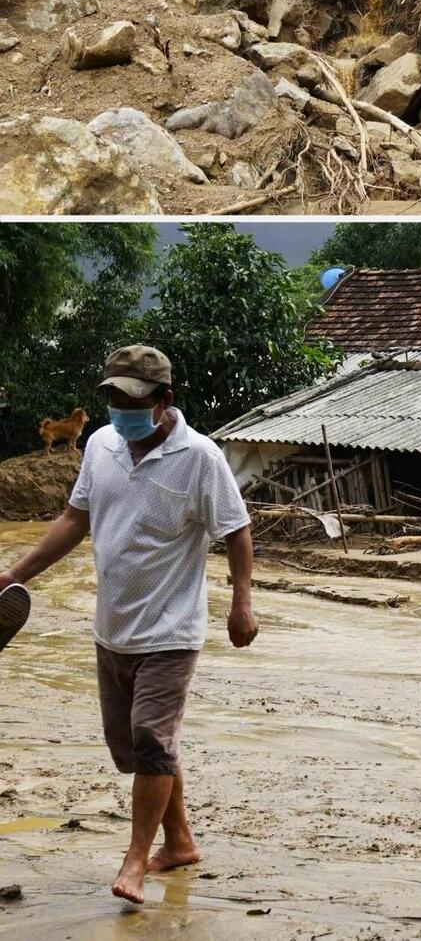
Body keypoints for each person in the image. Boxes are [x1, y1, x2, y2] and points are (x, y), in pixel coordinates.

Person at [0, 345, 256, 906]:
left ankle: (135, 860)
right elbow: (75, 517)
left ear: (164, 401)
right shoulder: (99, 445)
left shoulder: (201, 458)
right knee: (139, 748)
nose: (120, 408)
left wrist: (242, 602)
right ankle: (181, 841)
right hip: (112, 628)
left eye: (132, 399)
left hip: (172, 631)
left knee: (150, 739)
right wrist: (13, 574)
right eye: (113, 397)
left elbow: (236, 530)